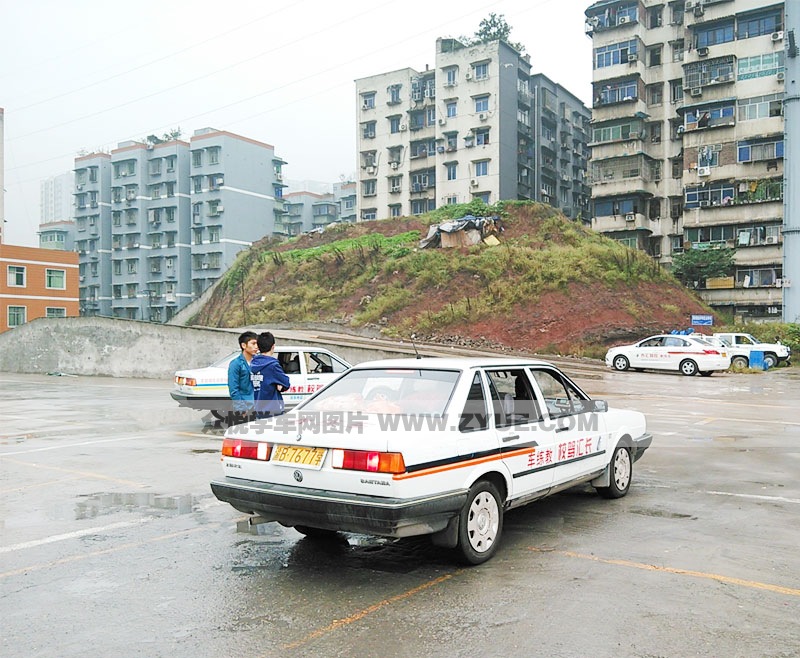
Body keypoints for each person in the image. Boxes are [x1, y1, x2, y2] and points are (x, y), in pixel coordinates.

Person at [250, 331, 291, 419]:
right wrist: (279, 384)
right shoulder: (273, 366)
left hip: (258, 410)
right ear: (273, 346)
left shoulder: (253, 364)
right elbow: (286, 383)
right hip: (272, 412)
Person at [227, 330, 259, 424]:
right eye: (253, 344)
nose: (256, 347)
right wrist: (241, 409)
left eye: (257, 344)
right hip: (243, 409)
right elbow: (233, 389)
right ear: (244, 345)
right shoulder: (236, 364)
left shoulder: (258, 362)